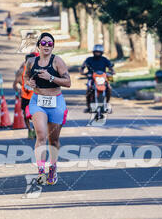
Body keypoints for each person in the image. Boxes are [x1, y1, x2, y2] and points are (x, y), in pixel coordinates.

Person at [24, 33, 71, 185]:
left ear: (53, 47)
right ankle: (40, 171)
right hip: (38, 101)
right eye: (43, 42)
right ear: (38, 45)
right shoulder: (31, 62)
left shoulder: (57, 61)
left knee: (54, 140)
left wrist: (50, 78)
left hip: (56, 101)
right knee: (41, 135)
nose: (46, 45)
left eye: (50, 43)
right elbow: (25, 77)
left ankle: (53, 167)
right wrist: (29, 83)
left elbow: (68, 82)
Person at [80, 44, 114, 113]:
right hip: (92, 78)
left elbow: (111, 68)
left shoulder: (104, 60)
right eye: (96, 52)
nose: (97, 53)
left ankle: (107, 103)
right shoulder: (89, 59)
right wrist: (83, 73)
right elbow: (82, 68)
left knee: (109, 87)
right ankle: (88, 106)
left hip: (103, 78)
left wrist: (111, 72)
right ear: (93, 52)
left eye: (99, 52)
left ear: (101, 52)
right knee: (89, 88)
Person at [13, 51, 39, 139]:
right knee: (26, 115)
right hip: (25, 97)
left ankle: (35, 129)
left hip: (36, 96)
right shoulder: (21, 71)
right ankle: (29, 129)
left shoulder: (38, 71)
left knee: (36, 115)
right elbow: (15, 84)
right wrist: (18, 90)